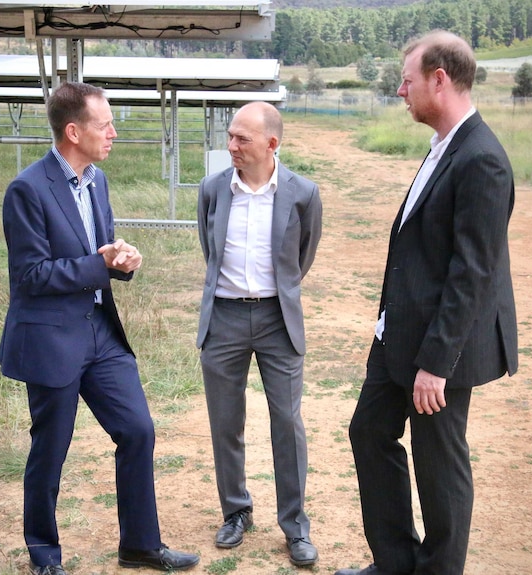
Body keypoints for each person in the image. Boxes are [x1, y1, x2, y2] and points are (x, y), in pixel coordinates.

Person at [333, 30, 518, 575]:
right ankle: (395, 563)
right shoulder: (445, 147)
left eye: (407, 80)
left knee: (439, 465)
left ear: (439, 79)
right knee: (369, 432)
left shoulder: (482, 158)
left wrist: (436, 364)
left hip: (439, 351)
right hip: (398, 335)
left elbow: (473, 275)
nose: (400, 91)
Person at [0, 81, 199, 575]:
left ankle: (140, 546)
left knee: (137, 430)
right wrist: (99, 263)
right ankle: (44, 556)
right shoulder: (27, 189)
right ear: (73, 131)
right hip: (51, 339)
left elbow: (100, 251)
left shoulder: (98, 181)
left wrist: (121, 260)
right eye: (103, 124)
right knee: (51, 451)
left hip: (100, 334)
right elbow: (30, 276)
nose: (113, 133)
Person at [196, 101, 323, 567]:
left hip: (277, 320)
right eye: (230, 136)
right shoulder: (212, 190)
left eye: (242, 139)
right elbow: (209, 248)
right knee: (225, 422)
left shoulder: (303, 193)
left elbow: (302, 257)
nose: (231, 145)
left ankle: (294, 527)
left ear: (272, 144)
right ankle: (236, 511)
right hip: (224, 320)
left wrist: (277, 294)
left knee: (287, 424)